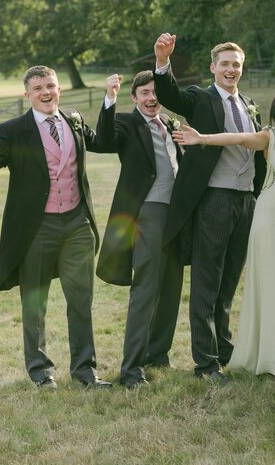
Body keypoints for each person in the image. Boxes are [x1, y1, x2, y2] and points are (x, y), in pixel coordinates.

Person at [0, 65, 111, 389]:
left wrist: (112, 102)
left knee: (81, 301)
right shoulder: (13, 130)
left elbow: (104, 141)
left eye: (51, 86)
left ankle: (86, 372)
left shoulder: (74, 120)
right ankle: (41, 372)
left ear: (59, 88)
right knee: (35, 303)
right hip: (37, 227)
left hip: (76, 222)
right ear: (27, 95)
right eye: (38, 89)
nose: (46, 93)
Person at [173, 87, 275, 378]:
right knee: (270, 284)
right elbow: (238, 138)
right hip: (270, 219)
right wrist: (202, 138)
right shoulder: (271, 136)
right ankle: (266, 354)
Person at [151, 33, 267, 384]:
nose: (231, 70)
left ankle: (225, 348)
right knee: (207, 283)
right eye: (225, 64)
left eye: (236, 65)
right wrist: (161, 61)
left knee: (229, 280)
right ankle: (205, 363)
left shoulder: (249, 105)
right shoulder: (200, 99)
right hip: (214, 199)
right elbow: (169, 94)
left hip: (246, 200)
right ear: (213, 67)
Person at [95, 71, 184, 389]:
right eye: (144, 93)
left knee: (172, 287)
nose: (151, 98)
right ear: (134, 97)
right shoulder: (126, 123)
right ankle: (131, 369)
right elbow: (103, 141)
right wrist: (109, 98)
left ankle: (158, 354)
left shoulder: (171, 124)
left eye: (155, 92)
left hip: (176, 216)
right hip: (147, 214)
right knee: (145, 290)